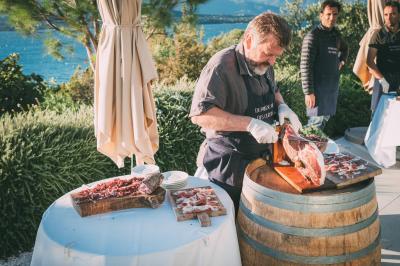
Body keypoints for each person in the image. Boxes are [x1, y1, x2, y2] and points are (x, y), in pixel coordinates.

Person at [189, 12, 302, 213]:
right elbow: (200, 116)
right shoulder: (221, 66)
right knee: (233, 223)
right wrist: (249, 124)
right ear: (249, 40)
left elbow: (273, 89)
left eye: (276, 55)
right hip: (228, 165)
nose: (273, 62)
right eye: (268, 53)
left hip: (260, 159)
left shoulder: (264, 64)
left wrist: (283, 106)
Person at [300, 0, 348, 130]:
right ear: (321, 15)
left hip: (331, 88)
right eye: (328, 14)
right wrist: (308, 92)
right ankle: (306, 149)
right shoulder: (313, 37)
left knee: (322, 122)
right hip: (317, 90)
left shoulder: (336, 35)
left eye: (335, 14)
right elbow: (305, 66)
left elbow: (345, 48)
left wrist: (342, 61)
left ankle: (315, 148)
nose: (331, 18)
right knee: (314, 125)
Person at [367, 1, 400, 113]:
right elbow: (369, 61)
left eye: (393, 14)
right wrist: (382, 80)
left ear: (399, 14)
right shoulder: (378, 34)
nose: (388, 18)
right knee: (377, 115)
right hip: (382, 81)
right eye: (386, 14)